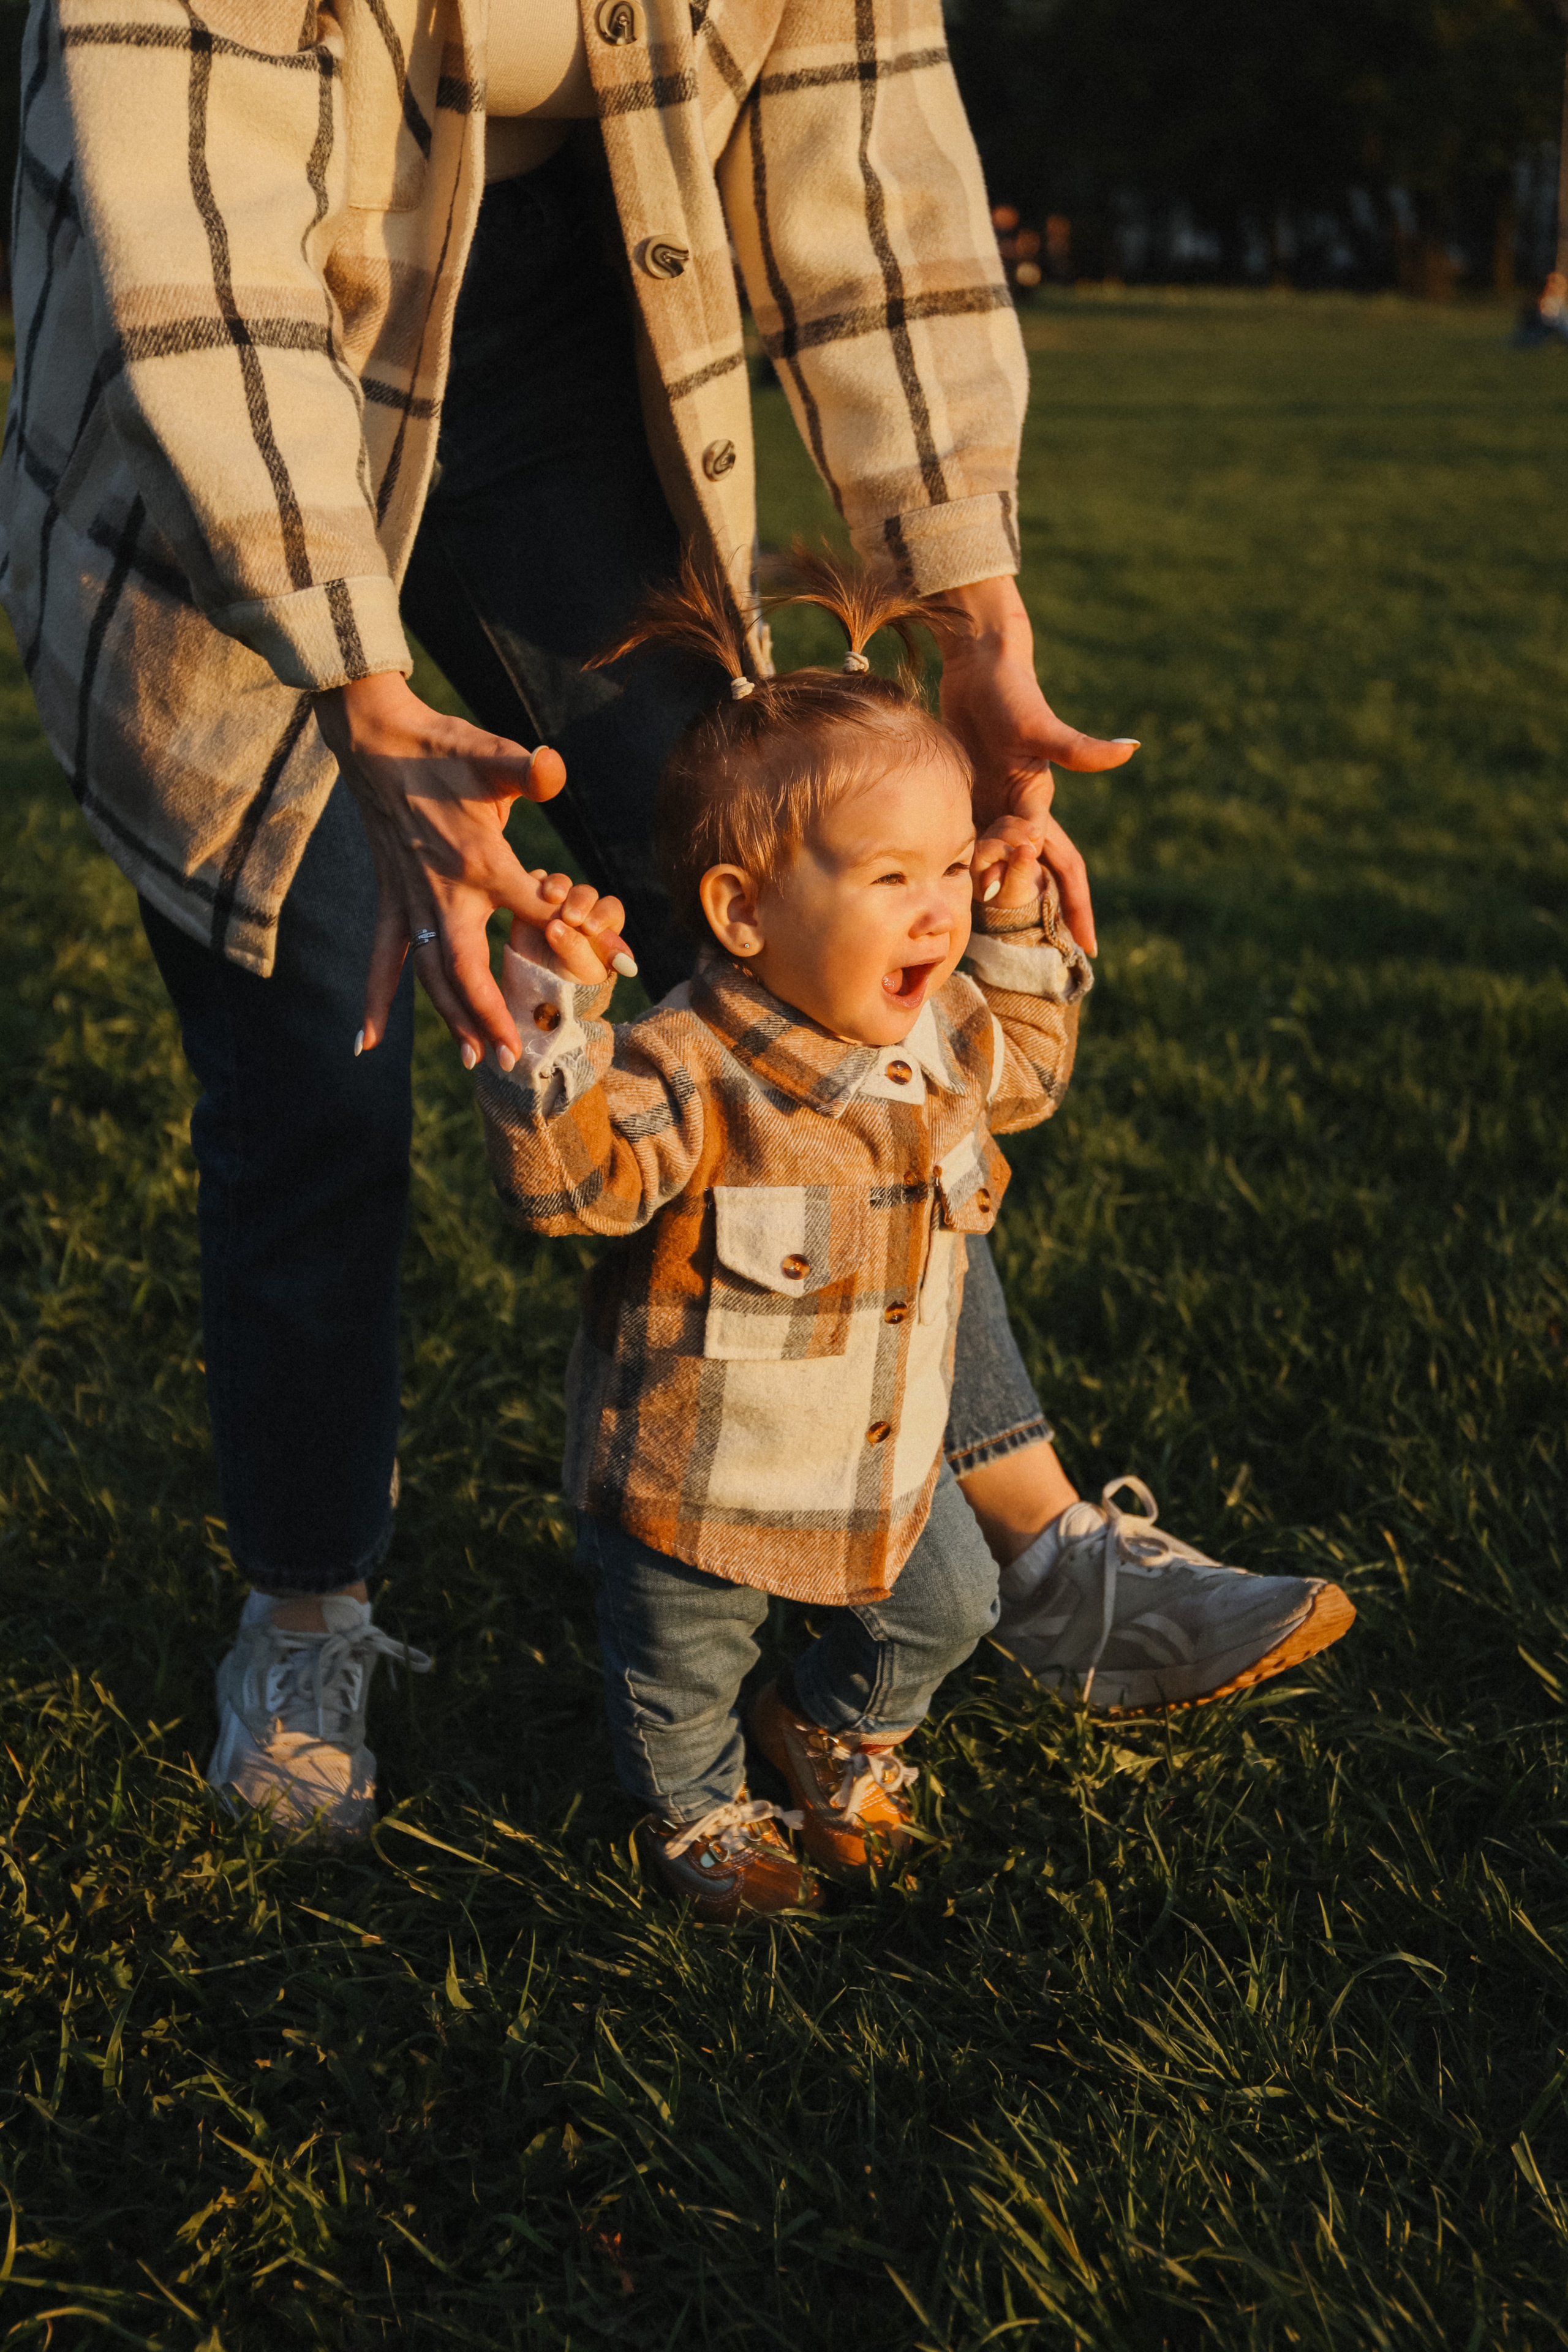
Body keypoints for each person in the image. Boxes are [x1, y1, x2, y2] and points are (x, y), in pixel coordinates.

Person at [1, 0, 1348, 1839]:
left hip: (546, 335)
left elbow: (870, 168)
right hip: (220, 380)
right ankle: (307, 1613)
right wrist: (361, 693)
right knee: (321, 1033)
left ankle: (1030, 1542)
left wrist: (975, 608)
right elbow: (208, 259)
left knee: (790, 930)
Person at [470, 557, 1352, 1919]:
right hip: (694, 1478)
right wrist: (550, 1029)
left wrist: (1010, 919)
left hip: (879, 1461)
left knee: (950, 1606)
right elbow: (572, 1190)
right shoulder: (685, 1068)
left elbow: (1027, 1077)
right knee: (678, 1668)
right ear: (740, 911)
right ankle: (700, 1812)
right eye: (894, 876)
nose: (936, 904)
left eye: (950, 866)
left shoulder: (935, 1039)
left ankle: (828, 1731)